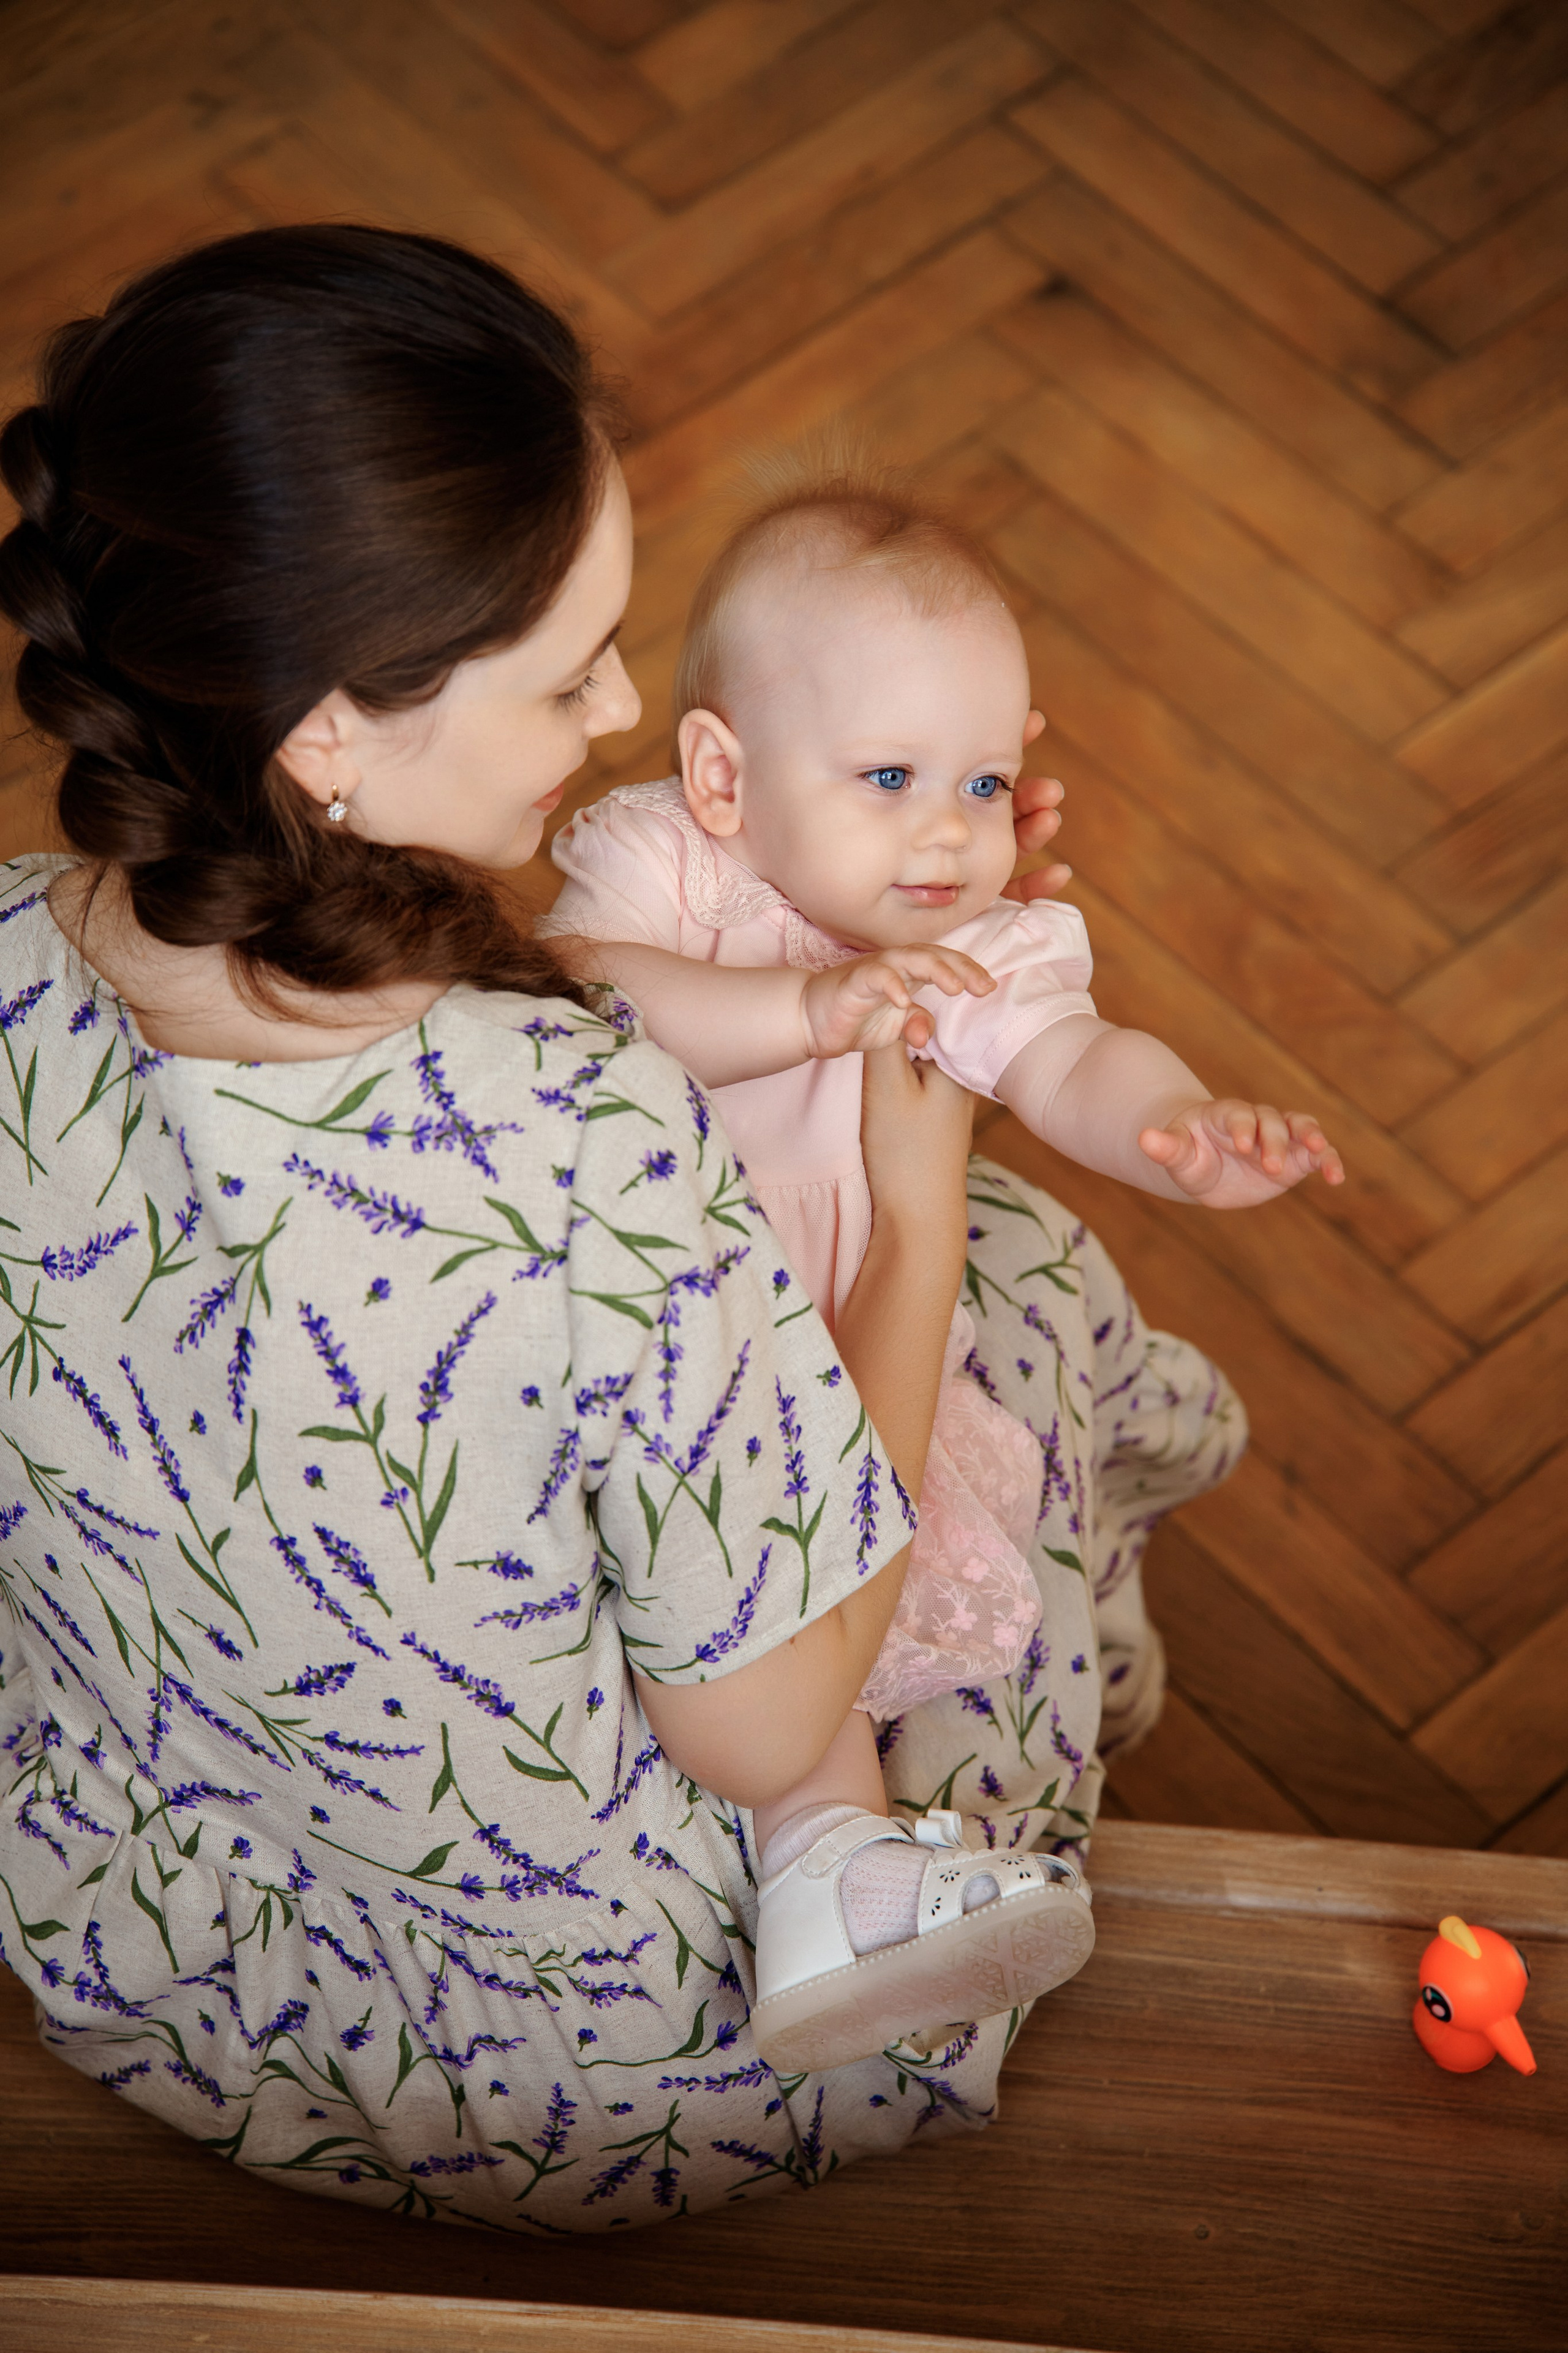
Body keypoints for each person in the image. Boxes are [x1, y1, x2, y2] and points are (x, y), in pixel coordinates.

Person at [0, 225, 1242, 2233]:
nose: (621, 708)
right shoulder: (580, 1127)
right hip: (584, 2055)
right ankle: (1066, 1697)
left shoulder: (6, 966)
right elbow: (764, 1723)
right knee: (1023, 1283)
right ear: (326, 730)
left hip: (162, 1944)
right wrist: (917, 1206)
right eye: (568, 664)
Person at [546, 459, 1334, 2068]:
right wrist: (801, 1011)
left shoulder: (973, 945)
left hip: (840, 1362)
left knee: (816, 1601)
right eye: (892, 774)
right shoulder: (672, 868)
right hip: (648, 1341)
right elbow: (574, 986)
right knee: (704, 1580)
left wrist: (1180, 1126)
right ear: (722, 776)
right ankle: (812, 1866)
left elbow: (1068, 1059)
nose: (951, 833)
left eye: (984, 779)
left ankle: (828, 1873)